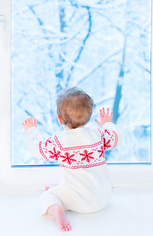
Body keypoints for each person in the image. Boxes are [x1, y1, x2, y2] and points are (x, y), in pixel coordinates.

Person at [22, 87, 120, 232]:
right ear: (89, 115)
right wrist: (106, 123)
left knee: (47, 195)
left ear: (60, 119)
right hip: (103, 198)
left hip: (78, 202)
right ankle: (60, 189)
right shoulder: (97, 134)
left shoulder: (60, 141)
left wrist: (31, 130)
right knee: (72, 180)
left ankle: (56, 209)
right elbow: (114, 139)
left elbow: (38, 150)